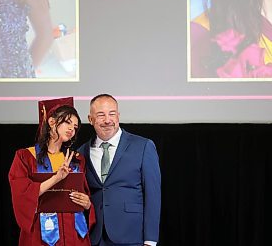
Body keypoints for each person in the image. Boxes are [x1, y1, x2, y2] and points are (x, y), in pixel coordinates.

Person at [9, 97, 96, 246]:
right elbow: (22, 195)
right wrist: (56, 178)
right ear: (51, 122)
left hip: (75, 236)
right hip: (42, 235)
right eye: (68, 122)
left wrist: (88, 204)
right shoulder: (26, 157)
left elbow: (84, 196)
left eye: (75, 127)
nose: (72, 129)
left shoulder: (76, 159)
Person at [78, 94, 161, 246]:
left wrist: (150, 240)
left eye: (112, 114)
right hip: (93, 237)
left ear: (118, 116)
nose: (107, 120)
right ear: (90, 119)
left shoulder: (143, 146)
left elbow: (153, 196)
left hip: (131, 236)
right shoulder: (81, 153)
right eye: (101, 115)